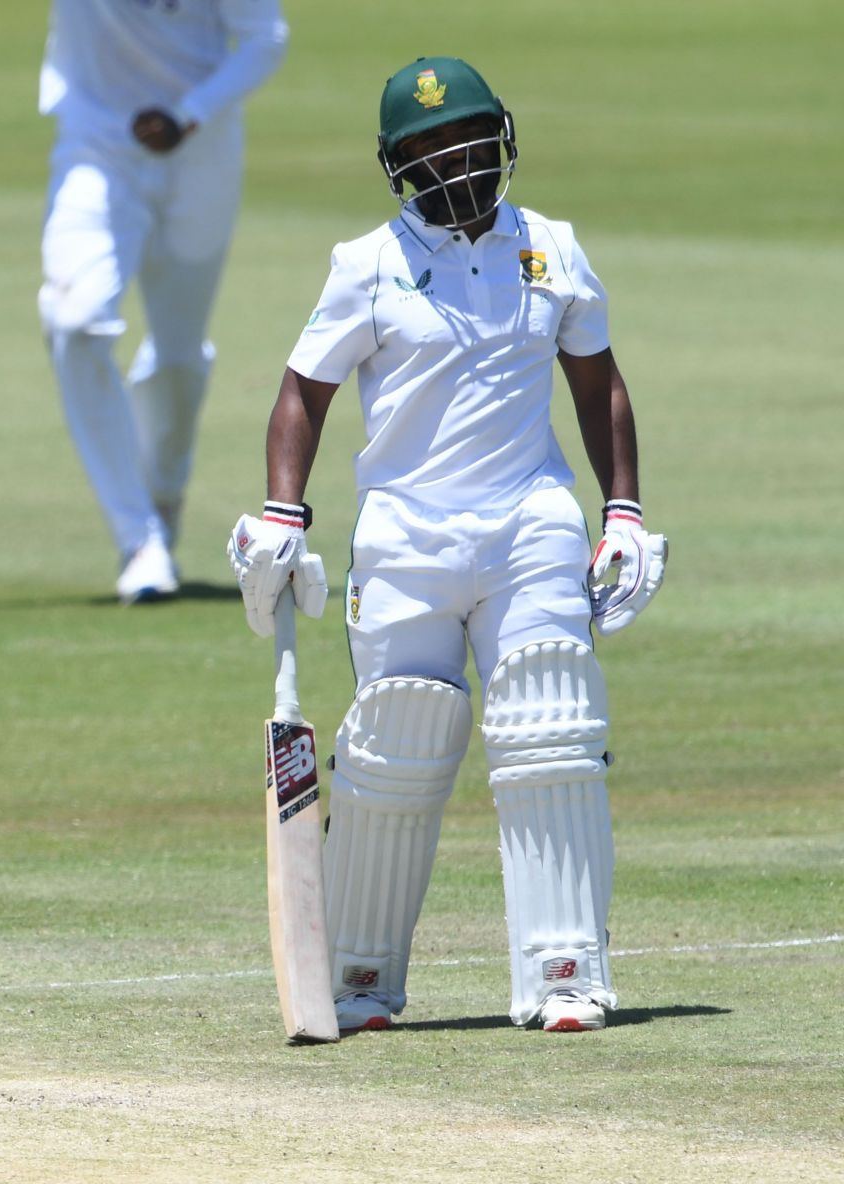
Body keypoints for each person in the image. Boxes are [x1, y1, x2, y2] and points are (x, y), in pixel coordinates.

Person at [227, 57, 667, 1035]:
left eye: (466, 136)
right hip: (407, 533)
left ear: (501, 135)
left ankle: (565, 973)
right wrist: (282, 513)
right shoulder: (367, 263)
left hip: (530, 521)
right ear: (398, 165)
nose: (453, 160)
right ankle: (360, 976)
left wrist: (624, 511)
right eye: (428, 147)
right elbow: (303, 391)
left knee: (551, 727)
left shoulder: (549, 249)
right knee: (393, 746)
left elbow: (598, 384)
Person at [37, 0, 290, 603]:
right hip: (97, 146)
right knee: (75, 322)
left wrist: (189, 114)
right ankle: (139, 539)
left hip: (202, 157)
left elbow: (265, 40)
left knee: (178, 354)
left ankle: (163, 498)